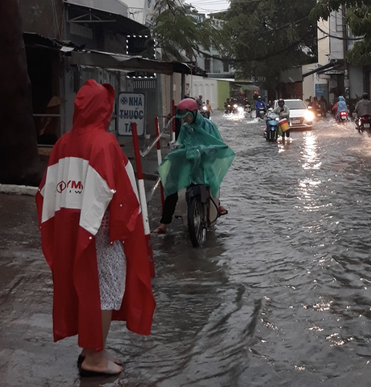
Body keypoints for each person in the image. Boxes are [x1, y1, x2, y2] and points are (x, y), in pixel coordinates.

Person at [36, 80, 155, 377]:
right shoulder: (105, 143)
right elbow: (120, 193)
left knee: (86, 290)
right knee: (108, 291)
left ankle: (90, 348)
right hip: (100, 232)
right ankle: (95, 356)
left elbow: (46, 191)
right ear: (103, 108)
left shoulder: (63, 143)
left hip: (72, 229)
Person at [154, 98, 235, 234]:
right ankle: (163, 224)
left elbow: (217, 142)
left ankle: (217, 205)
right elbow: (181, 142)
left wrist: (209, 150)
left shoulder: (209, 126)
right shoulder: (185, 128)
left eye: (186, 116)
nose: (185, 120)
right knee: (174, 184)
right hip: (189, 160)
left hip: (205, 162)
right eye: (183, 117)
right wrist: (177, 148)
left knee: (212, 182)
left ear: (194, 113)